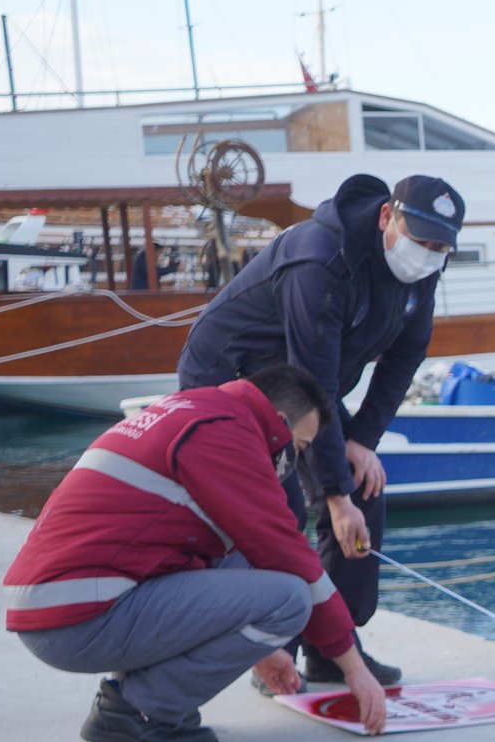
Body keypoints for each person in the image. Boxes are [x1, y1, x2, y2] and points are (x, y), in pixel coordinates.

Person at [4, 362, 389, 742]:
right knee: (290, 596)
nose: (294, 460)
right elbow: (289, 554)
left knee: (244, 563)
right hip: (72, 622)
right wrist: (353, 668)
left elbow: (198, 552)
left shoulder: (196, 410)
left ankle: (135, 697)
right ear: (277, 421)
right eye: (299, 447)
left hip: (61, 603)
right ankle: (140, 711)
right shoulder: (226, 435)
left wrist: (260, 648)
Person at [175, 172, 464, 685]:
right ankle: (272, 653)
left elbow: (403, 359)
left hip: (302, 385)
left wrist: (360, 445)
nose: (427, 255)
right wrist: (332, 493)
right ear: (386, 218)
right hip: (229, 376)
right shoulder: (320, 257)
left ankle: (333, 646)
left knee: (364, 489)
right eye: (421, 242)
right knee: (279, 509)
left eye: (440, 247)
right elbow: (314, 375)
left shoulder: (424, 268)